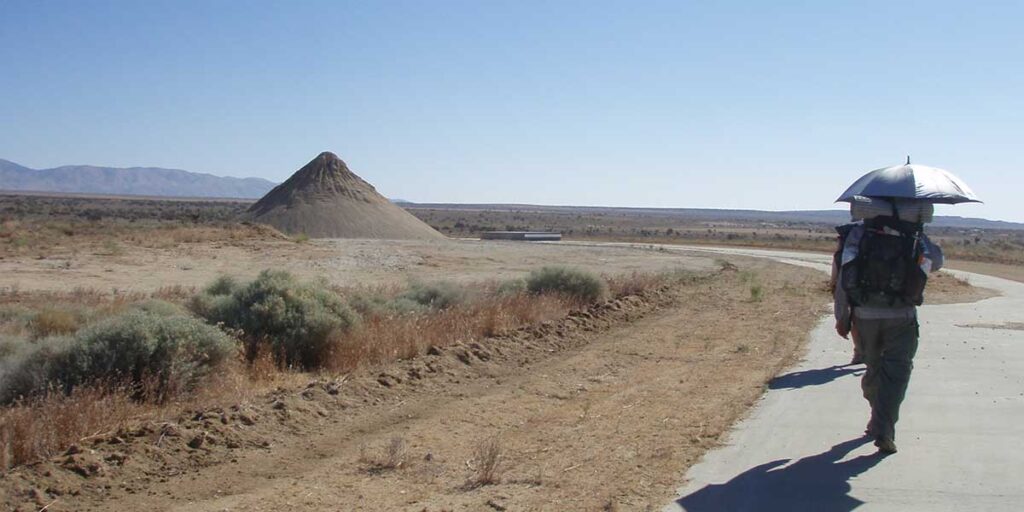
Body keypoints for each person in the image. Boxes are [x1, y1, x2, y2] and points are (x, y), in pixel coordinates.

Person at [833, 214, 943, 454]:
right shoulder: (913, 234)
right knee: (897, 373)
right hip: (902, 316)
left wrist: (842, 316)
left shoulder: (859, 233)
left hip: (864, 317)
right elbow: (935, 262)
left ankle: (877, 418)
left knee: (873, 369)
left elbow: (844, 276)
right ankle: (884, 428)